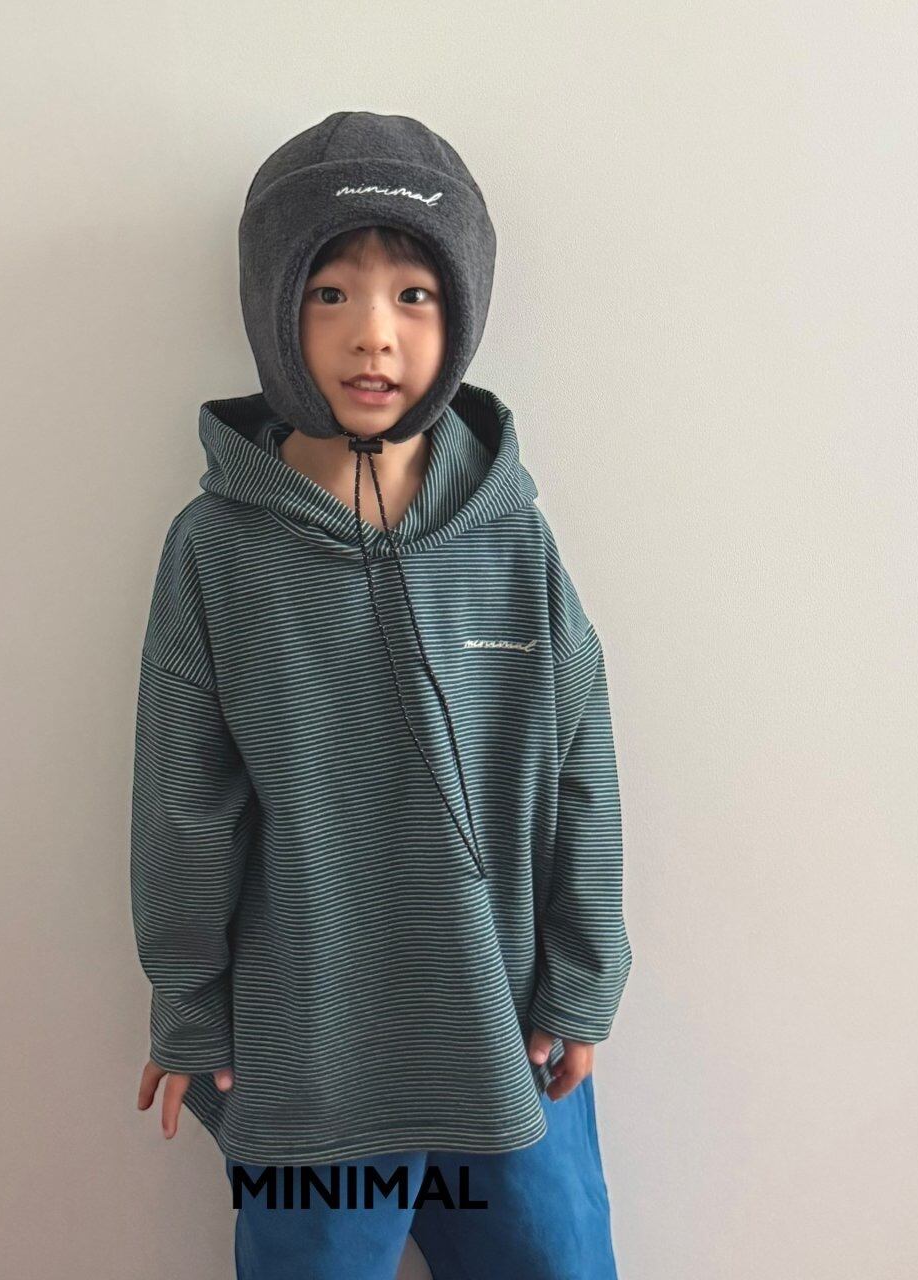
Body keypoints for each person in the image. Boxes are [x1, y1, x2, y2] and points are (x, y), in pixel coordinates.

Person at [130, 110, 633, 1279]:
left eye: (413, 293)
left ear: (458, 316)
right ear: (273, 308)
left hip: (508, 1049)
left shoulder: (512, 542)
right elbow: (182, 803)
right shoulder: (216, 550)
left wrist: (582, 978)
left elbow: (581, 765)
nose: (372, 332)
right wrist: (187, 1006)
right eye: (329, 293)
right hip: (310, 1066)